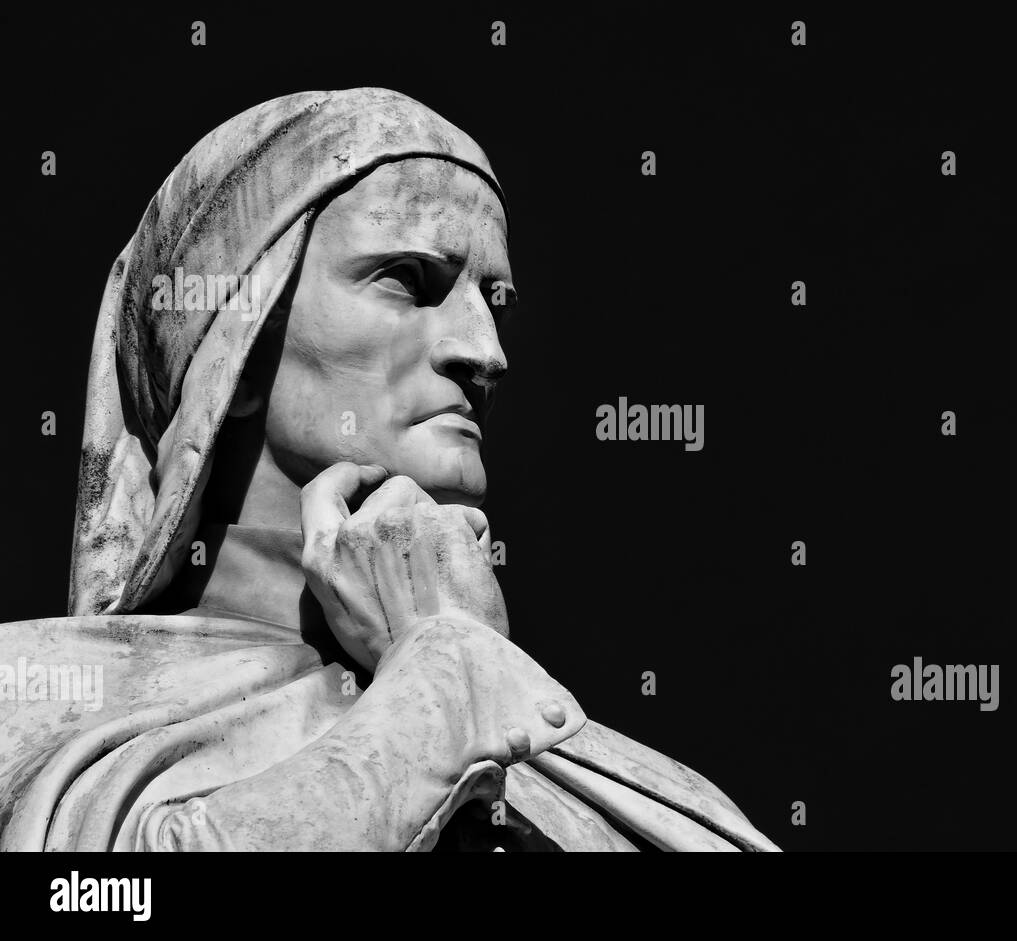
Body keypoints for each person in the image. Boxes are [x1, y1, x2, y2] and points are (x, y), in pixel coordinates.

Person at [0, 88, 777, 852]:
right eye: (408, 279)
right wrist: (441, 684)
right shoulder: (33, 697)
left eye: (494, 303)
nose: (487, 352)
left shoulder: (655, 801)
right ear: (229, 354)